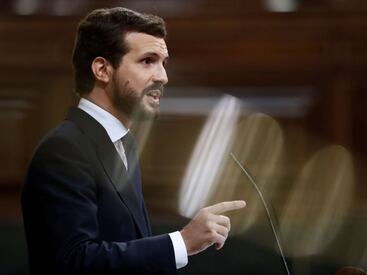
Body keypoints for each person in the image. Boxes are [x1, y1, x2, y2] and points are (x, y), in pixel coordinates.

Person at [21, 7, 246, 275]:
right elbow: (72, 262)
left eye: (163, 62)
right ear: (102, 69)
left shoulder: (122, 144)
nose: (162, 76)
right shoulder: (64, 149)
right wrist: (182, 242)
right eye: (147, 61)